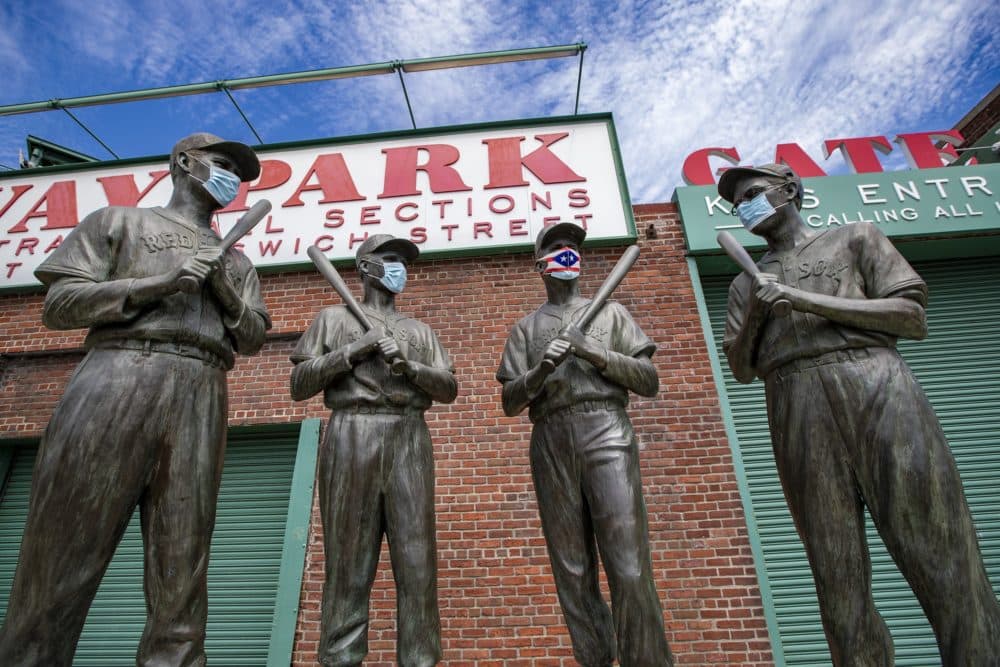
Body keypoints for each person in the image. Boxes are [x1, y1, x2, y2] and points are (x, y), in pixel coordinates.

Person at [0, 132, 271, 666]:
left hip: (202, 386)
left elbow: (255, 336)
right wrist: (158, 284)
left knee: (183, 572)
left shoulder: (237, 264)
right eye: (221, 165)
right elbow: (60, 305)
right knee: (60, 560)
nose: (231, 181)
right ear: (183, 163)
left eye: (238, 175)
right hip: (118, 372)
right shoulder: (118, 222)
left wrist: (219, 287)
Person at [718, 163, 1000, 666]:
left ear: (790, 190)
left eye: (754, 194)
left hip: (876, 383)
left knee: (942, 552)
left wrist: (800, 298)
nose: (747, 208)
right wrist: (761, 305)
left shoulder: (855, 239)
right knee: (836, 576)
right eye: (738, 204)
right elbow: (741, 368)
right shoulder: (744, 285)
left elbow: (910, 317)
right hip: (794, 401)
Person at [496, 222, 673, 667]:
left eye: (572, 248)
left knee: (629, 567)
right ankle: (595, 658)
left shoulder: (610, 314)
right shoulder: (525, 329)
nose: (567, 254)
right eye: (556, 249)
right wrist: (539, 372)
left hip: (606, 429)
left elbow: (648, 380)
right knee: (572, 571)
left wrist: (593, 352)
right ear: (541, 264)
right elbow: (509, 402)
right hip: (551, 437)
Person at [290, 234, 457, 667]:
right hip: (353, 432)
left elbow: (449, 388)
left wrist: (410, 366)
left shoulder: (420, 331)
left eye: (404, 261)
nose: (400, 267)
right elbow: (299, 384)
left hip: (408, 436)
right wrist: (353, 351)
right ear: (366, 268)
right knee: (348, 567)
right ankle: (341, 658)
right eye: (391, 259)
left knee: (418, 566)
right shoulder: (333, 318)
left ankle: (420, 659)